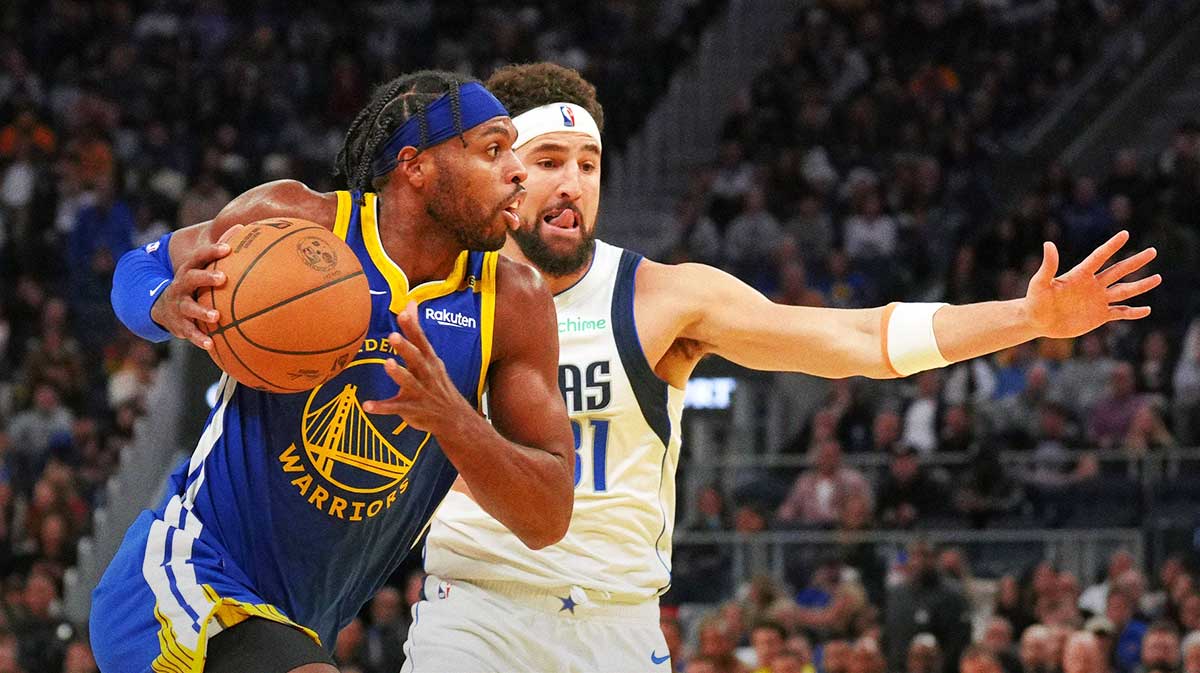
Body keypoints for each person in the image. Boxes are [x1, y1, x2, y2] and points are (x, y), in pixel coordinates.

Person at [408, 63, 1160, 672]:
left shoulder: (664, 297)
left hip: (612, 621)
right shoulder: (437, 293)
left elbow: (860, 340)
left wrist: (1024, 317)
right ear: (502, 172)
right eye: (548, 162)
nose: (573, 184)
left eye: (589, 163)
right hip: (476, 609)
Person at [89, 71, 575, 673]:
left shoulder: (514, 302)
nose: (519, 170)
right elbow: (138, 268)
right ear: (415, 166)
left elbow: (548, 516)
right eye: (493, 149)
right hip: (186, 582)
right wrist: (165, 303)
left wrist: (457, 422)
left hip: (302, 625)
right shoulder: (299, 223)